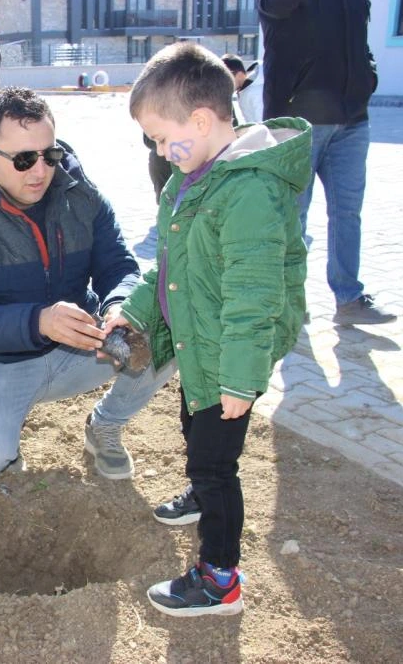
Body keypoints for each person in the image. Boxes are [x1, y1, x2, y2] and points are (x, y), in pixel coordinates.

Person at [112, 42, 309, 617]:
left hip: (233, 350)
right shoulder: (191, 178)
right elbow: (169, 266)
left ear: (200, 121)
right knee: (195, 421)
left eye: (157, 135)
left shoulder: (248, 191)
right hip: (204, 340)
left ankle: (220, 579)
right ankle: (201, 491)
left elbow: (254, 298)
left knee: (216, 461)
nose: (155, 149)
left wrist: (241, 382)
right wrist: (136, 312)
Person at [0, 87, 176, 482]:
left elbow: (118, 266)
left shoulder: (83, 196)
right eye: (24, 160)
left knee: (169, 323)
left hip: (81, 345)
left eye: (50, 155)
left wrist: (119, 306)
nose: (40, 171)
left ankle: (105, 425)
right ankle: (3, 446)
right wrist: (38, 321)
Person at [259, 0, 395, 325]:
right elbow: (273, 9)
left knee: (348, 212)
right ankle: (289, 302)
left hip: (353, 120)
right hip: (299, 123)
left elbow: (359, 42)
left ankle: (349, 299)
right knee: (292, 216)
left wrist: (367, 76)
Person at [220, 54, 263, 123]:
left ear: (239, 75)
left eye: (227, 81)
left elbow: (264, 122)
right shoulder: (244, 89)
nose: (224, 86)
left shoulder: (256, 91)